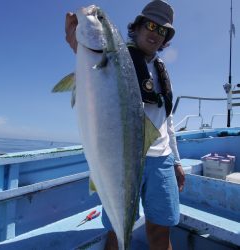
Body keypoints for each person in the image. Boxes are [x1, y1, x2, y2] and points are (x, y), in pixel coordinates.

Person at [65, 1, 185, 249]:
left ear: (166, 40)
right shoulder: (118, 56)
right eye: (151, 25)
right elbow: (93, 70)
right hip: (122, 159)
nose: (155, 33)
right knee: (114, 231)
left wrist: (177, 160)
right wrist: (78, 44)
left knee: (161, 232)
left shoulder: (162, 71)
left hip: (161, 159)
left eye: (163, 31)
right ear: (138, 27)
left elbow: (168, 120)